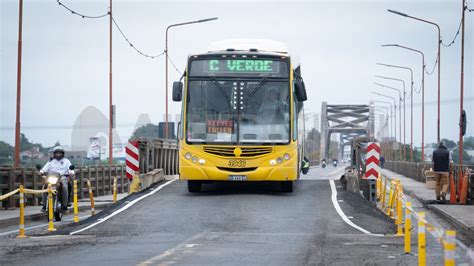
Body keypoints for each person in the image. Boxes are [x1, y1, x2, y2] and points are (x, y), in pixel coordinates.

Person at [39, 146, 73, 212]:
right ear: (54, 154)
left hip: (62, 177)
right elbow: (44, 169)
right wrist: (41, 172)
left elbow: (70, 169)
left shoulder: (66, 161)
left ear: (62, 153)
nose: (58, 154)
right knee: (44, 187)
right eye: (56, 153)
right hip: (51, 177)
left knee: (65, 187)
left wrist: (71, 172)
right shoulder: (50, 161)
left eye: (59, 153)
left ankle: (64, 205)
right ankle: (44, 204)